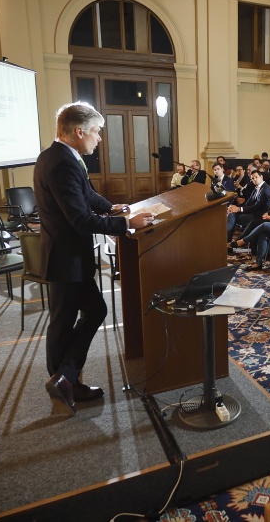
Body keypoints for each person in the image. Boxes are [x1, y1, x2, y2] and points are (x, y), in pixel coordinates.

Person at [34, 102, 153, 415]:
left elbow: (86, 195)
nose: (99, 138)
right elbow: (80, 219)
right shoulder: (61, 162)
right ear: (79, 131)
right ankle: (63, 380)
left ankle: (65, 379)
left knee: (89, 312)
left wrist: (113, 208)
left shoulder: (59, 156)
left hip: (68, 257)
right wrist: (127, 224)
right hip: (66, 258)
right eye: (96, 132)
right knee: (64, 322)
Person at [227, 170, 270, 241]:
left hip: (259, 215)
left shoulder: (266, 189)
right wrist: (236, 208)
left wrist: (239, 209)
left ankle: (229, 240)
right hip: (252, 212)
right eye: (252, 178)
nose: (254, 179)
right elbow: (248, 203)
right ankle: (228, 240)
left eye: (256, 177)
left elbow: (257, 207)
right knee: (232, 213)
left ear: (261, 177)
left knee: (233, 216)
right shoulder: (256, 188)